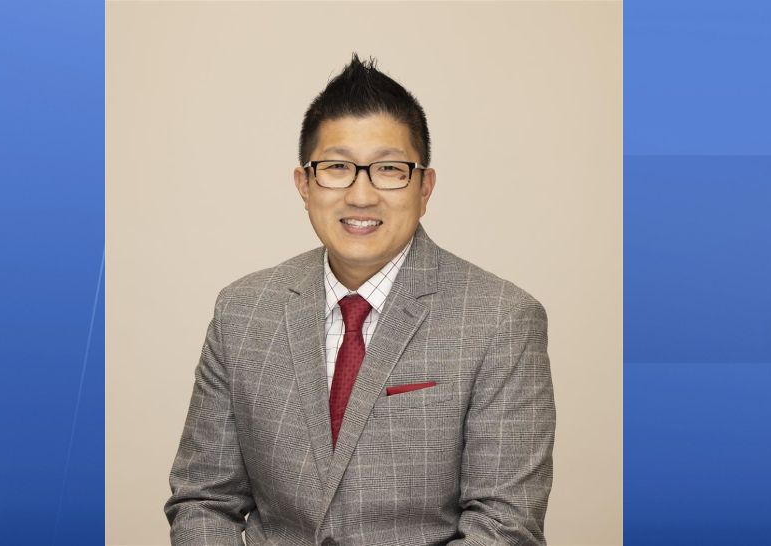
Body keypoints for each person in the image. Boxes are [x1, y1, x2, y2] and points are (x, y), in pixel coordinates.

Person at [165, 54, 555, 546]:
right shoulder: (242, 310)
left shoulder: (501, 319)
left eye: (389, 169)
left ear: (425, 187)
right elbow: (203, 499)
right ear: (304, 185)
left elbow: (504, 525)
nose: (361, 195)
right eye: (337, 168)